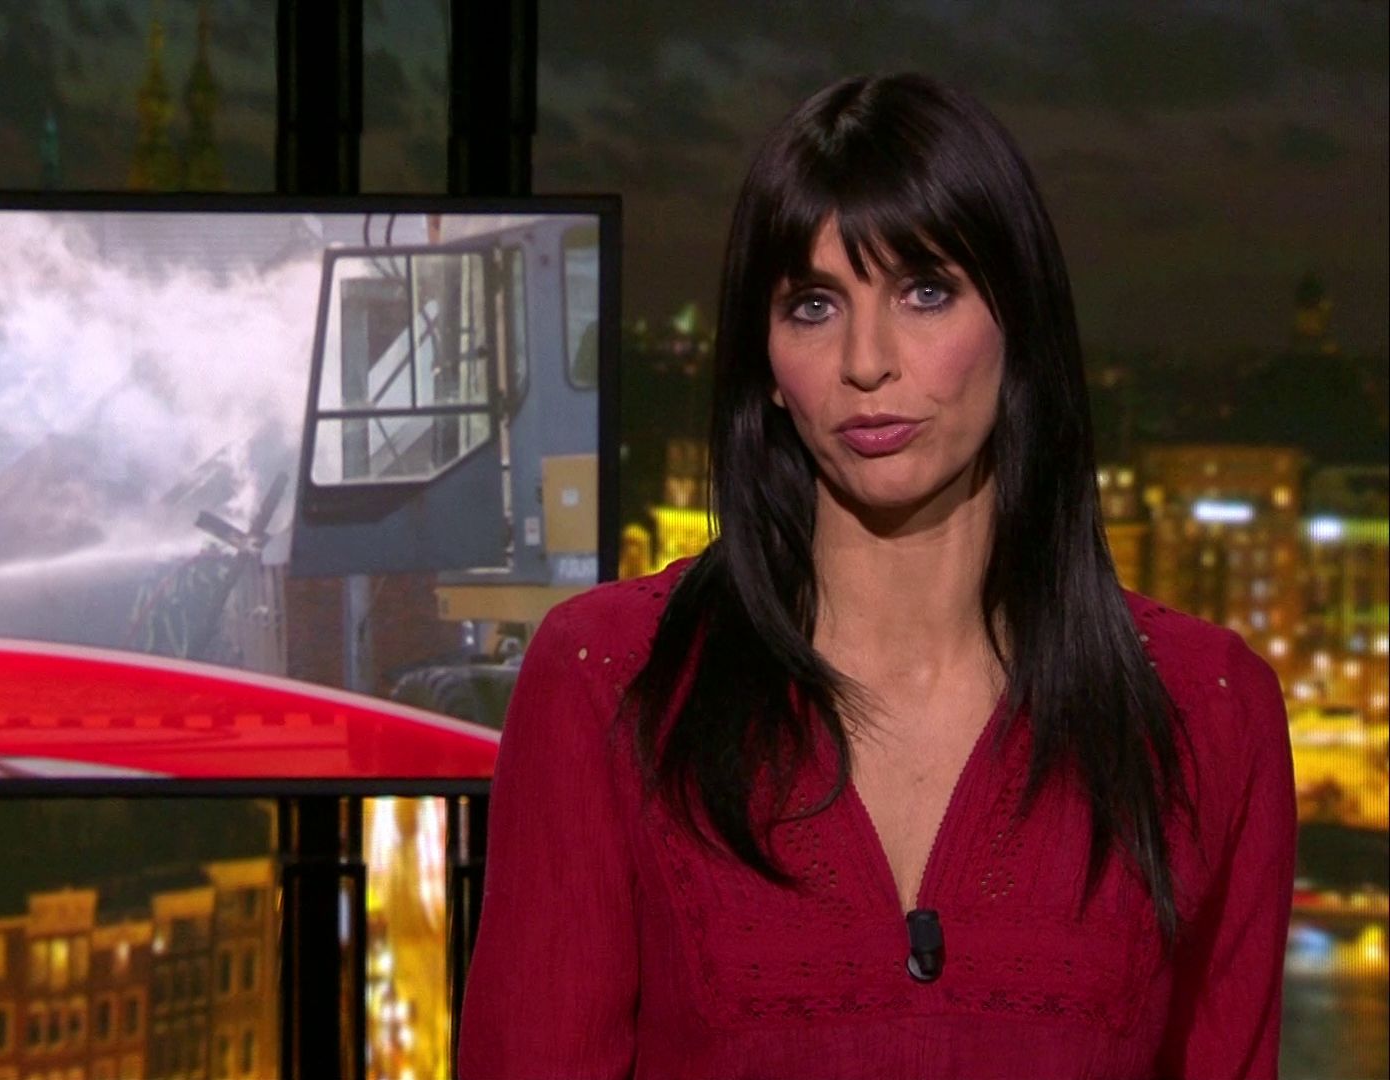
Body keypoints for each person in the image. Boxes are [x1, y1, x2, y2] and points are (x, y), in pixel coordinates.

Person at [457, 73, 1294, 1080]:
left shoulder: (1210, 712)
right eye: (813, 305)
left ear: (1018, 321)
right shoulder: (609, 682)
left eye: (924, 291)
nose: (865, 361)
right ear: (768, 362)